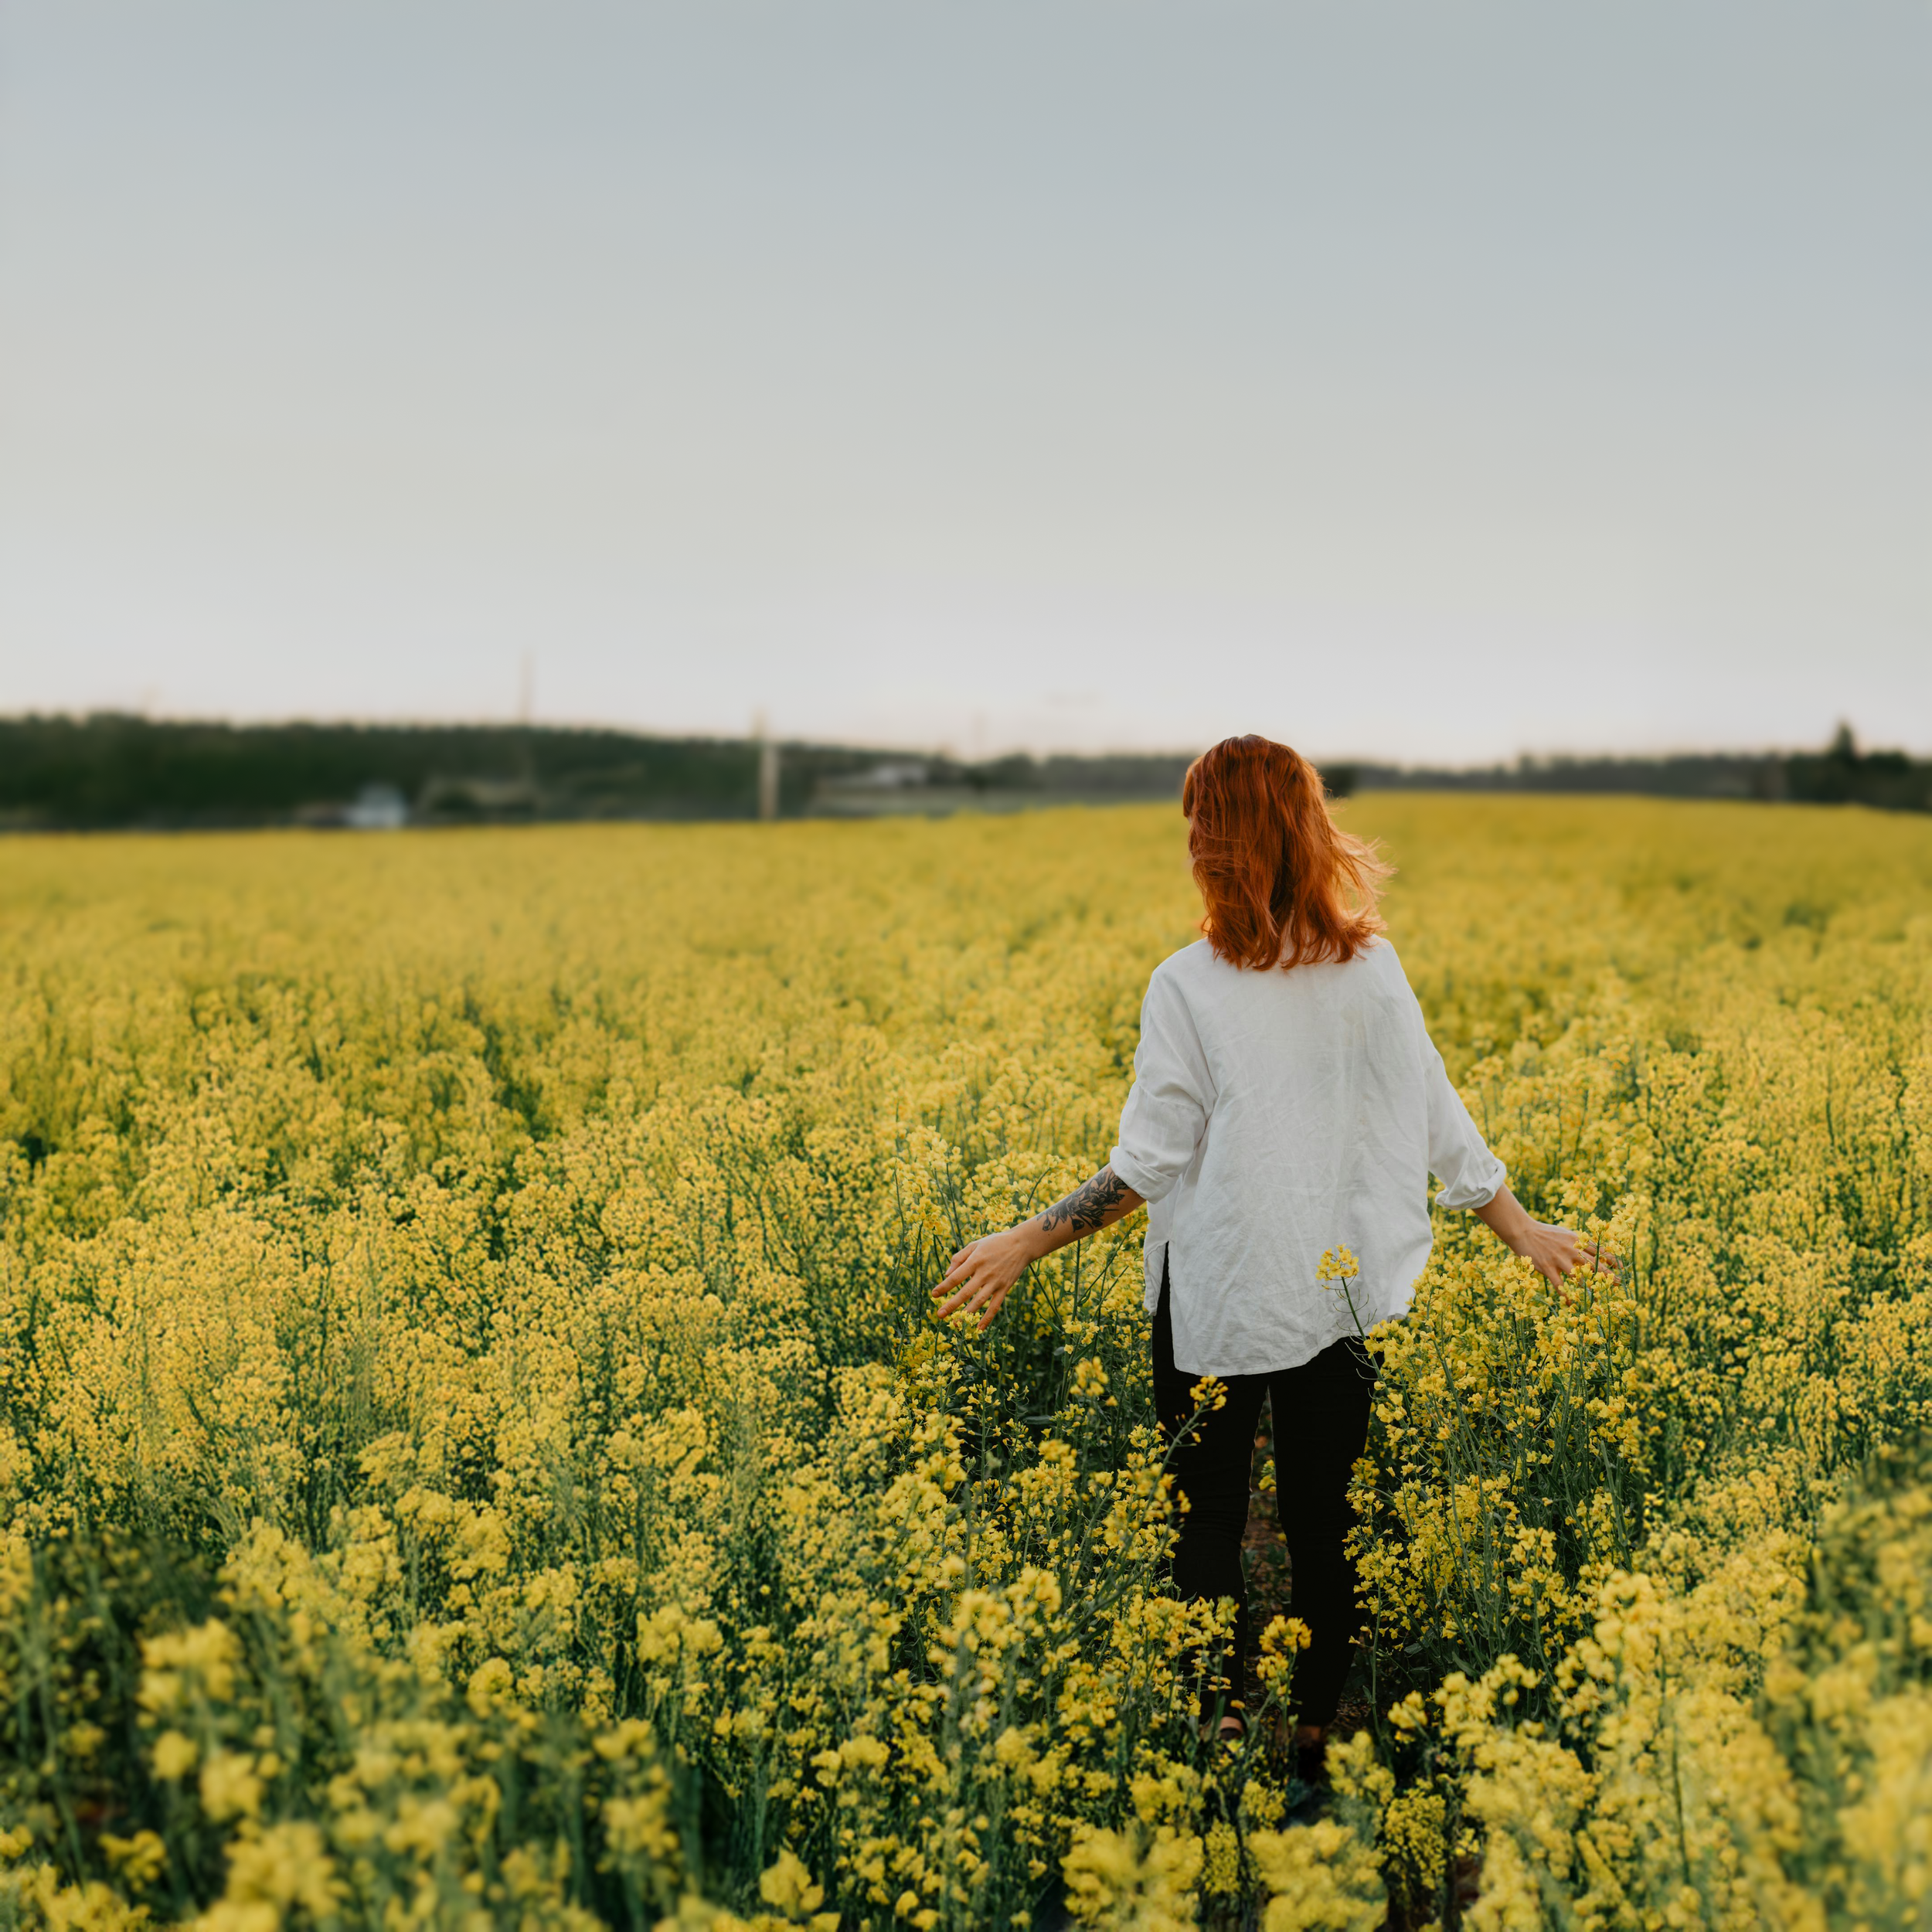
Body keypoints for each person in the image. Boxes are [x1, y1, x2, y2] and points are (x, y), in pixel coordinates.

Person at [930, 734, 1593, 1764]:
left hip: (1216, 1297)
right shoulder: (1371, 971)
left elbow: (1149, 1162)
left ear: (1236, 839)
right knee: (1323, 1522)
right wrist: (1514, 1223)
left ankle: (1225, 1716)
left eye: (1202, 818)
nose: (1190, 836)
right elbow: (1435, 1105)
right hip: (1336, 1300)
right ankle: (1317, 1737)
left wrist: (1026, 1240)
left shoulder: (1188, 986)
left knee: (1206, 1519)